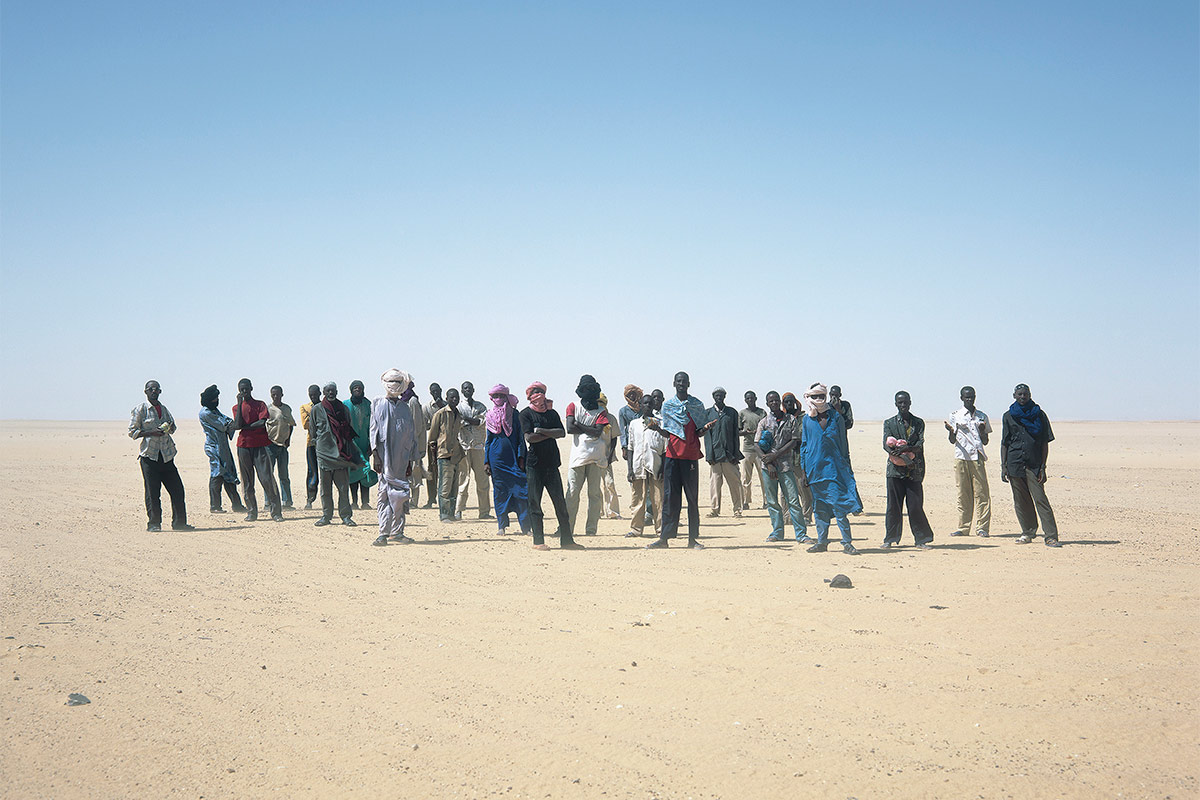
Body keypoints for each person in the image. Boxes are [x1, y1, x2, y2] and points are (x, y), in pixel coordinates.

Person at [645, 371, 715, 549]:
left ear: (689, 384)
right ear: (674, 384)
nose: (681, 384)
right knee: (670, 498)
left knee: (692, 498)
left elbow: (698, 431)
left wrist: (705, 429)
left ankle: (692, 539)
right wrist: (656, 428)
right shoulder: (667, 406)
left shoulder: (697, 405)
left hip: (690, 456)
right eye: (678, 381)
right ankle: (664, 539)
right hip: (672, 457)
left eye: (684, 381)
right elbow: (667, 432)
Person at [799, 384, 861, 554]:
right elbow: (804, 446)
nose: (818, 399)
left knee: (839, 506)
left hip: (834, 470)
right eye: (815, 396)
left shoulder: (836, 418)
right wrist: (804, 472)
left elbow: (843, 444)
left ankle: (847, 542)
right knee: (819, 508)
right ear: (809, 398)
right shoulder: (807, 420)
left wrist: (847, 469)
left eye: (821, 396)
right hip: (814, 471)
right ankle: (822, 542)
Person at [519, 382, 583, 550]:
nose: (539, 395)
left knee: (560, 504)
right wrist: (549, 433)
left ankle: (567, 540)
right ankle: (538, 541)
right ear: (530, 395)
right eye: (536, 392)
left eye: (541, 392)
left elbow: (561, 433)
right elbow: (529, 438)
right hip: (534, 465)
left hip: (552, 464)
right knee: (535, 503)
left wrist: (541, 431)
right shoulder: (525, 414)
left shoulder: (552, 413)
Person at [1001, 384, 1061, 548]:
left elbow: (1044, 443)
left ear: (1030, 395)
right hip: (1014, 464)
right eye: (1019, 394)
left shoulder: (1039, 415)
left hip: (1034, 465)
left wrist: (1043, 467)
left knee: (1040, 500)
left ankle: (1051, 536)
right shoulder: (1008, 416)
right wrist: (1003, 466)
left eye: (1025, 394)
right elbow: (1005, 443)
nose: (1022, 397)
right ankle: (1027, 532)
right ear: (1014, 395)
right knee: (1021, 501)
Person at [129, 380, 192, 532]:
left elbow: (173, 427)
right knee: (152, 492)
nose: (154, 391)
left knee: (177, 489)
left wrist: (169, 427)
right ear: (145, 391)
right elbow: (132, 432)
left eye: (157, 389)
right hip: (149, 457)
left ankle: (179, 523)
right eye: (151, 389)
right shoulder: (140, 410)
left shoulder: (163, 409)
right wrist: (152, 432)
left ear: (160, 392)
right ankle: (154, 524)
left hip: (167, 456)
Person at [368, 369, 422, 546]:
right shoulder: (377, 403)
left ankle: (398, 532)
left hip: (401, 460)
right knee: (384, 494)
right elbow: (373, 429)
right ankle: (383, 533)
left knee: (400, 496)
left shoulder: (405, 408)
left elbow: (410, 435)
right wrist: (375, 454)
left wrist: (409, 461)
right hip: (384, 460)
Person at [754, 391, 810, 543]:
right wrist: (769, 463)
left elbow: (794, 441)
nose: (773, 403)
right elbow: (756, 445)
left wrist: (775, 455)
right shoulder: (763, 422)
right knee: (772, 501)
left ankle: (801, 534)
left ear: (780, 402)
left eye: (775, 400)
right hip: (768, 468)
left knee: (793, 500)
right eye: (770, 401)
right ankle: (777, 532)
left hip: (786, 466)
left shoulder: (791, 419)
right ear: (767, 404)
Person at [882, 391, 934, 549]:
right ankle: (890, 539)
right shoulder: (889, 423)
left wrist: (908, 448)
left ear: (910, 403)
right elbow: (886, 444)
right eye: (900, 403)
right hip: (895, 471)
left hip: (914, 470)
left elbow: (919, 444)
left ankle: (921, 539)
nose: (903, 405)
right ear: (896, 404)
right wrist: (900, 455)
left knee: (915, 505)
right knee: (893, 506)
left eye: (905, 402)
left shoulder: (918, 423)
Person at [309, 382, 362, 527]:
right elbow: (312, 431)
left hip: (340, 454)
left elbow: (348, 429)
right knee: (325, 489)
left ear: (337, 392)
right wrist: (321, 444)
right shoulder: (317, 409)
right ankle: (326, 516)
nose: (331, 393)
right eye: (328, 391)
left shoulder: (343, 409)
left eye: (333, 391)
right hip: (324, 454)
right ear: (324, 393)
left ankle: (346, 516)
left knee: (343, 488)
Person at [564, 375, 609, 538]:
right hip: (577, 458)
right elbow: (569, 428)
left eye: (592, 390)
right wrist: (589, 428)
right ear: (580, 391)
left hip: (596, 458)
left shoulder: (601, 410)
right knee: (572, 493)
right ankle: (567, 528)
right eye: (586, 389)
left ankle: (591, 529)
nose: (589, 392)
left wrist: (580, 425)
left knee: (595, 494)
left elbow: (598, 431)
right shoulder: (573, 406)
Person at [232, 378, 283, 522]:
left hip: (260, 445)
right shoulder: (236, 408)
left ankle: (276, 512)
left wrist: (246, 428)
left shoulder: (260, 405)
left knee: (267, 478)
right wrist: (241, 403)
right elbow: (237, 424)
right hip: (243, 447)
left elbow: (262, 422)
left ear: (251, 388)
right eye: (241, 389)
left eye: (246, 388)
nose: (244, 391)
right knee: (247, 482)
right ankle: (252, 511)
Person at [483, 384, 531, 535]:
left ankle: (526, 527)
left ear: (506, 397)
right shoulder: (490, 415)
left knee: (522, 492)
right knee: (500, 492)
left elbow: (520, 439)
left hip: (514, 460)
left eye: (501, 396)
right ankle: (501, 526)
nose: (498, 399)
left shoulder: (515, 415)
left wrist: (521, 457)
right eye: (495, 396)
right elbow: (488, 441)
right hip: (497, 461)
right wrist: (486, 461)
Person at [946, 386, 992, 538]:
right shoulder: (955, 415)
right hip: (961, 457)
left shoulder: (982, 416)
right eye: (967, 397)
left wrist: (981, 432)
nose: (969, 399)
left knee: (982, 493)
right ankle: (963, 527)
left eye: (972, 397)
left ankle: (982, 528)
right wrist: (951, 432)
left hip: (977, 457)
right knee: (963, 493)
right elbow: (952, 440)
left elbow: (985, 441)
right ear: (961, 398)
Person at [199, 385, 245, 514]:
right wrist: (239, 405)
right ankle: (215, 506)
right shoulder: (206, 413)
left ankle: (237, 505)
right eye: (215, 399)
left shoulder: (214, 411)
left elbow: (229, 422)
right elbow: (226, 425)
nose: (217, 401)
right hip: (214, 447)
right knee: (217, 474)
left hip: (222, 447)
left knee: (228, 474)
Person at [625, 393, 665, 539]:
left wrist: (662, 468)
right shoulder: (634, 424)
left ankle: (661, 530)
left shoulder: (660, 423)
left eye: (650, 403)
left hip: (655, 466)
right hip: (638, 467)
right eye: (645, 403)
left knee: (658, 501)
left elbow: (665, 449)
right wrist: (630, 469)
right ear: (640, 405)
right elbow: (630, 447)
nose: (647, 406)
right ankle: (636, 529)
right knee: (637, 500)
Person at [428, 387, 466, 522]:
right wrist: (433, 457)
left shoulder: (458, 414)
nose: (454, 400)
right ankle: (443, 514)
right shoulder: (440, 414)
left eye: (456, 397)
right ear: (447, 398)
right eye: (452, 397)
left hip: (456, 455)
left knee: (454, 486)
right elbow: (432, 439)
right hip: (443, 454)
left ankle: (451, 513)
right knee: (444, 486)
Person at [705, 387, 743, 517]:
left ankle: (737, 510)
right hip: (715, 456)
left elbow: (735, 435)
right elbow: (707, 437)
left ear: (725, 396)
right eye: (716, 395)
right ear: (713, 396)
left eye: (721, 395)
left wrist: (735, 454)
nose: (719, 397)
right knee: (714, 485)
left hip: (729, 456)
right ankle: (714, 510)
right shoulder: (708, 413)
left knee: (735, 484)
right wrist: (709, 455)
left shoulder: (732, 413)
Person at [456, 381, 491, 520]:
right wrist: (470, 420)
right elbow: (460, 423)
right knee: (463, 480)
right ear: (462, 390)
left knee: (483, 481)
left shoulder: (480, 406)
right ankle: (458, 510)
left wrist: (467, 420)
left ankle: (484, 512)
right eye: (465, 388)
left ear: (473, 390)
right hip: (463, 447)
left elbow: (480, 421)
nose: (467, 390)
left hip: (478, 447)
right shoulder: (458, 407)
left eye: (470, 388)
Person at [782, 392, 815, 529]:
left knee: (805, 490)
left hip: (801, 460)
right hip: (784, 460)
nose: (789, 404)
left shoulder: (804, 418)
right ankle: (787, 517)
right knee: (785, 491)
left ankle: (806, 517)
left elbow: (804, 437)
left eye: (791, 402)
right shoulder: (781, 418)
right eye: (786, 402)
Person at [830, 384, 864, 514]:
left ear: (840, 395)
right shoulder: (826, 407)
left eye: (836, 395)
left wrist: (839, 410)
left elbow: (849, 424)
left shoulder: (845, 406)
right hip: (830, 447)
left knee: (847, 475)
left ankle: (856, 506)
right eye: (832, 395)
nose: (834, 397)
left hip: (842, 446)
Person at [265, 385, 296, 511]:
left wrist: (288, 439)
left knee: (284, 475)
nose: (276, 396)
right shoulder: (267, 409)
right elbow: (263, 425)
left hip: (282, 446)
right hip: (270, 445)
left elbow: (291, 424)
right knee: (268, 475)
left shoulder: (287, 409)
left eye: (278, 394)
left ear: (282, 394)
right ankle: (268, 502)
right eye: (273, 394)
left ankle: (287, 502)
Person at [345, 380, 373, 509]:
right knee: (353, 472)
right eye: (355, 388)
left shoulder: (368, 405)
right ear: (351, 390)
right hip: (352, 445)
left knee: (365, 472)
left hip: (365, 444)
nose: (357, 390)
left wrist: (371, 445)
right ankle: (354, 501)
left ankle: (365, 502)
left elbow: (373, 426)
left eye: (359, 388)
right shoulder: (345, 405)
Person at [738, 391, 767, 510]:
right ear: (745, 400)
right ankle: (745, 501)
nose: (750, 400)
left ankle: (766, 501)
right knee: (746, 478)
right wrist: (746, 432)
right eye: (748, 398)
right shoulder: (742, 413)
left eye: (752, 398)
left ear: (756, 398)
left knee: (764, 477)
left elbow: (767, 428)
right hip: (747, 449)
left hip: (760, 449)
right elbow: (738, 431)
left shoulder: (762, 412)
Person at [597, 392, 623, 520]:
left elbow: (614, 438)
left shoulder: (611, 418)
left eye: (602, 403)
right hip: (594, 457)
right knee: (595, 486)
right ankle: (598, 512)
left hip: (607, 457)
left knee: (609, 484)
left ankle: (612, 511)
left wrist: (610, 454)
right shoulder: (593, 417)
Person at [422, 383, 447, 507]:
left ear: (441, 390)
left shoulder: (448, 405)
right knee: (432, 470)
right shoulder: (427, 407)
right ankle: (431, 498)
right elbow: (424, 425)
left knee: (446, 470)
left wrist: (443, 407)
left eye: (437, 391)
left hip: (447, 443)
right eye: (433, 391)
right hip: (433, 443)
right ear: (430, 393)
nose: (435, 393)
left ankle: (445, 499)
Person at [298, 385, 322, 509]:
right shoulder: (304, 407)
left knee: (327, 473)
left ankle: (326, 500)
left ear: (320, 393)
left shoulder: (326, 406)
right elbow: (306, 424)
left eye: (315, 394)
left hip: (325, 444)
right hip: (311, 444)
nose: (313, 397)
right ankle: (310, 499)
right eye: (310, 394)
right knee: (312, 472)